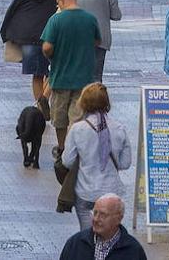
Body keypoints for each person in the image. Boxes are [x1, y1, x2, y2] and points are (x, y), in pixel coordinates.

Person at [61, 83, 132, 230]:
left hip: (85, 191)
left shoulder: (77, 129)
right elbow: (125, 163)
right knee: (109, 233)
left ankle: (90, 248)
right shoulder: (119, 128)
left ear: (83, 103)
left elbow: (67, 161)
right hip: (111, 190)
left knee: (87, 235)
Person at [42, 0, 100, 156]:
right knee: (77, 116)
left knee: (59, 117)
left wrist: (52, 54)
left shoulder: (56, 20)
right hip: (84, 78)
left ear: (61, 0)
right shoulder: (90, 19)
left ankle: (61, 148)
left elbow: (46, 47)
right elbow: (97, 41)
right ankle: (75, 148)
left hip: (61, 77)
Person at [1, 0, 62, 111]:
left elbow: (12, 10)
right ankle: (45, 100)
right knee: (55, 71)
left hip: (29, 37)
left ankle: (40, 106)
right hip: (54, 37)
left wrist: (4, 33)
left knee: (37, 74)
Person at [70, 0, 120, 83]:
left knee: (78, 73)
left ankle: (79, 100)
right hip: (100, 38)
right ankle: (95, 100)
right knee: (96, 76)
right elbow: (116, 15)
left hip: (77, 36)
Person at [58, 194, 146, 259]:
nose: (96, 219)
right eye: (95, 213)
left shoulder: (133, 250)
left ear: (118, 218)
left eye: (103, 215)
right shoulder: (75, 243)